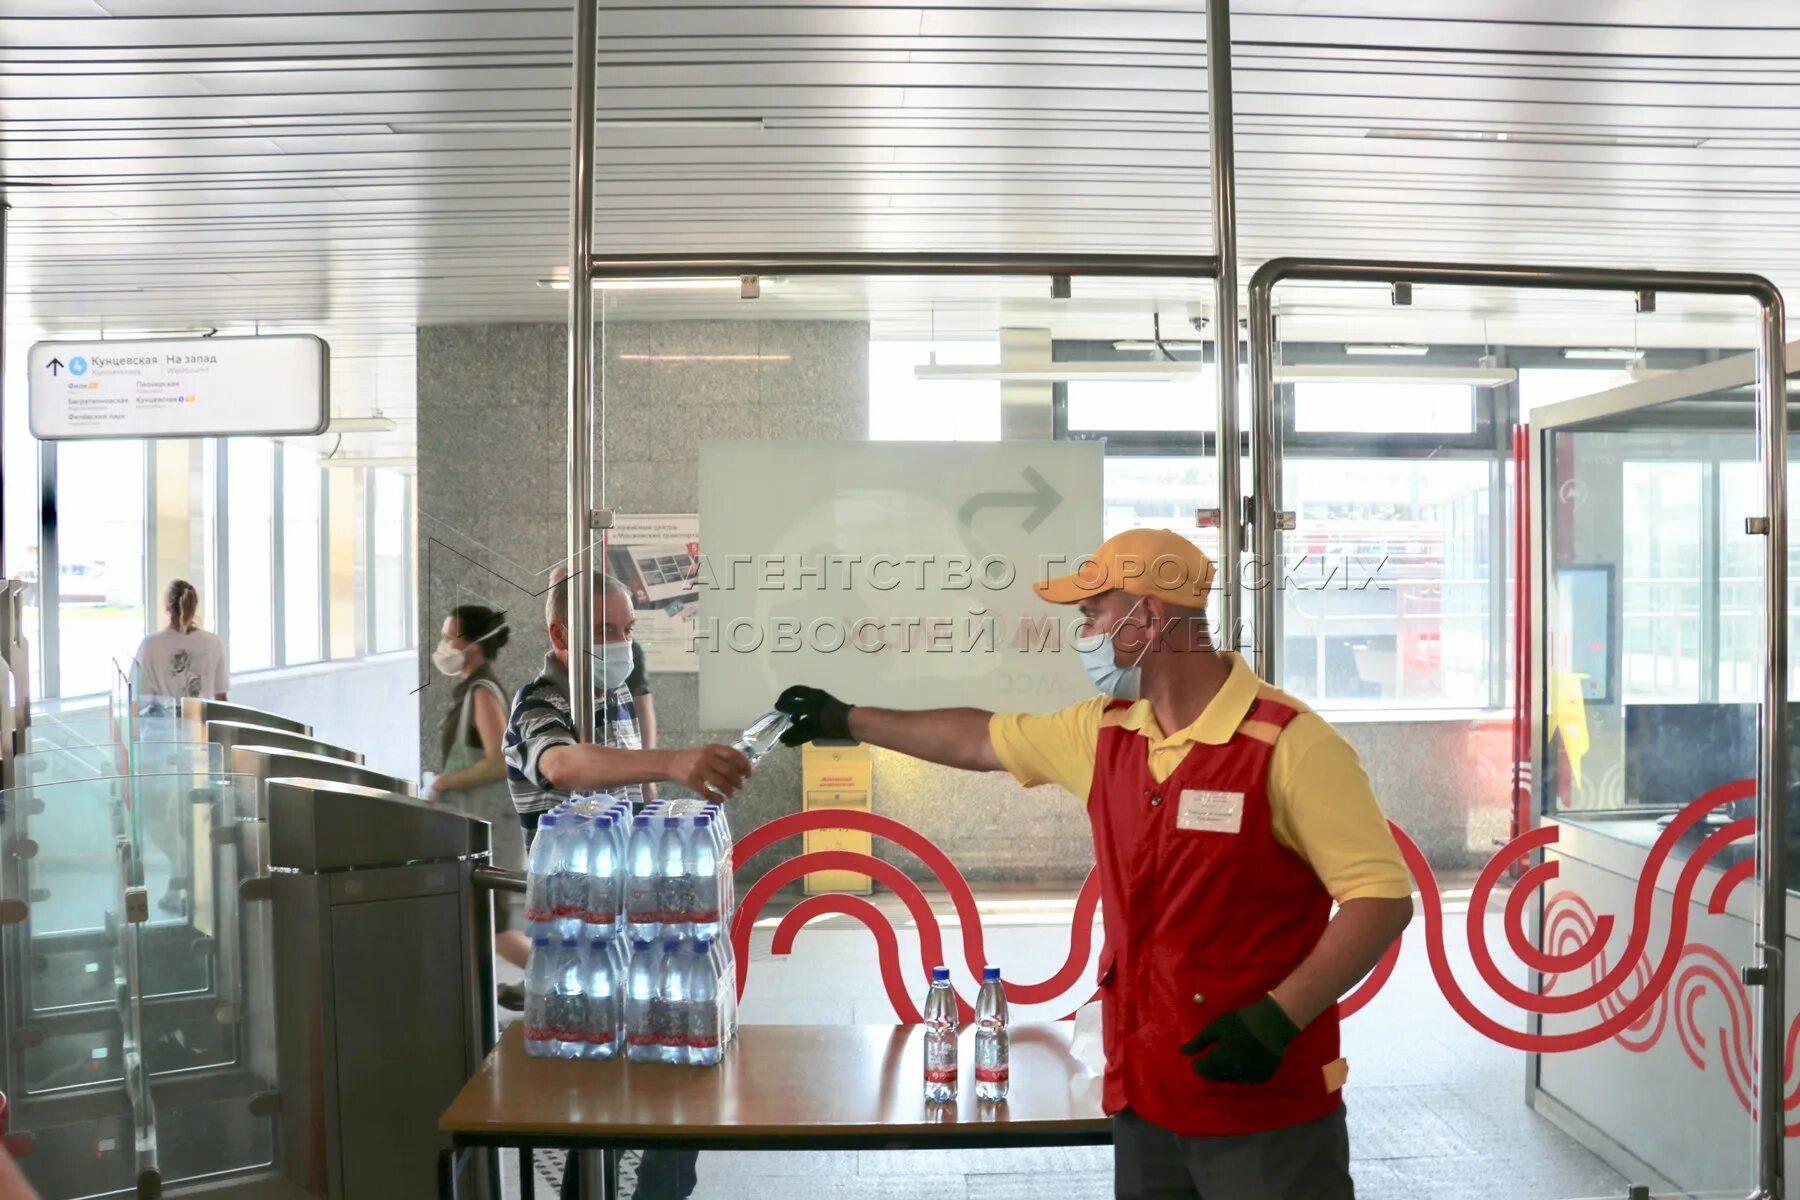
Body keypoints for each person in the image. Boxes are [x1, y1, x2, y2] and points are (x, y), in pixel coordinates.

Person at [774, 528, 1414, 1200]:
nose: (1084, 632)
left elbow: (1380, 899)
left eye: (1093, 613)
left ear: (1151, 617)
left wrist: (1279, 1017)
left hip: (1265, 1110)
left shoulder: (1290, 744)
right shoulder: (1105, 732)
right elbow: (977, 736)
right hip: (1143, 1098)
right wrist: (845, 718)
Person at [503, 568, 750, 1200]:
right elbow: (561, 765)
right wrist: (669, 764)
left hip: (641, 939)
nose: (620, 644)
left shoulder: (607, 696)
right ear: (560, 634)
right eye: (604, 631)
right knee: (596, 1130)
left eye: (627, 630)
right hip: (582, 944)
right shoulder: (542, 703)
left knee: (675, 1120)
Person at [426, 604, 530, 973]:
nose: (441, 644)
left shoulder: (482, 692)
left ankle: (565, 986)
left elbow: (499, 759)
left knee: (497, 931)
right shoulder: (471, 689)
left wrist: (443, 781)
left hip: (490, 830)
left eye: (447, 636)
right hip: (478, 828)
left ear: (471, 644)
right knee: (480, 927)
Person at [131, 579, 228, 703]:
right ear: (194, 607)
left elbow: (137, 698)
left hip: (162, 721)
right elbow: (221, 698)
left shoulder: (150, 644)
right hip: (200, 720)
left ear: (168, 608)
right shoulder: (213, 642)